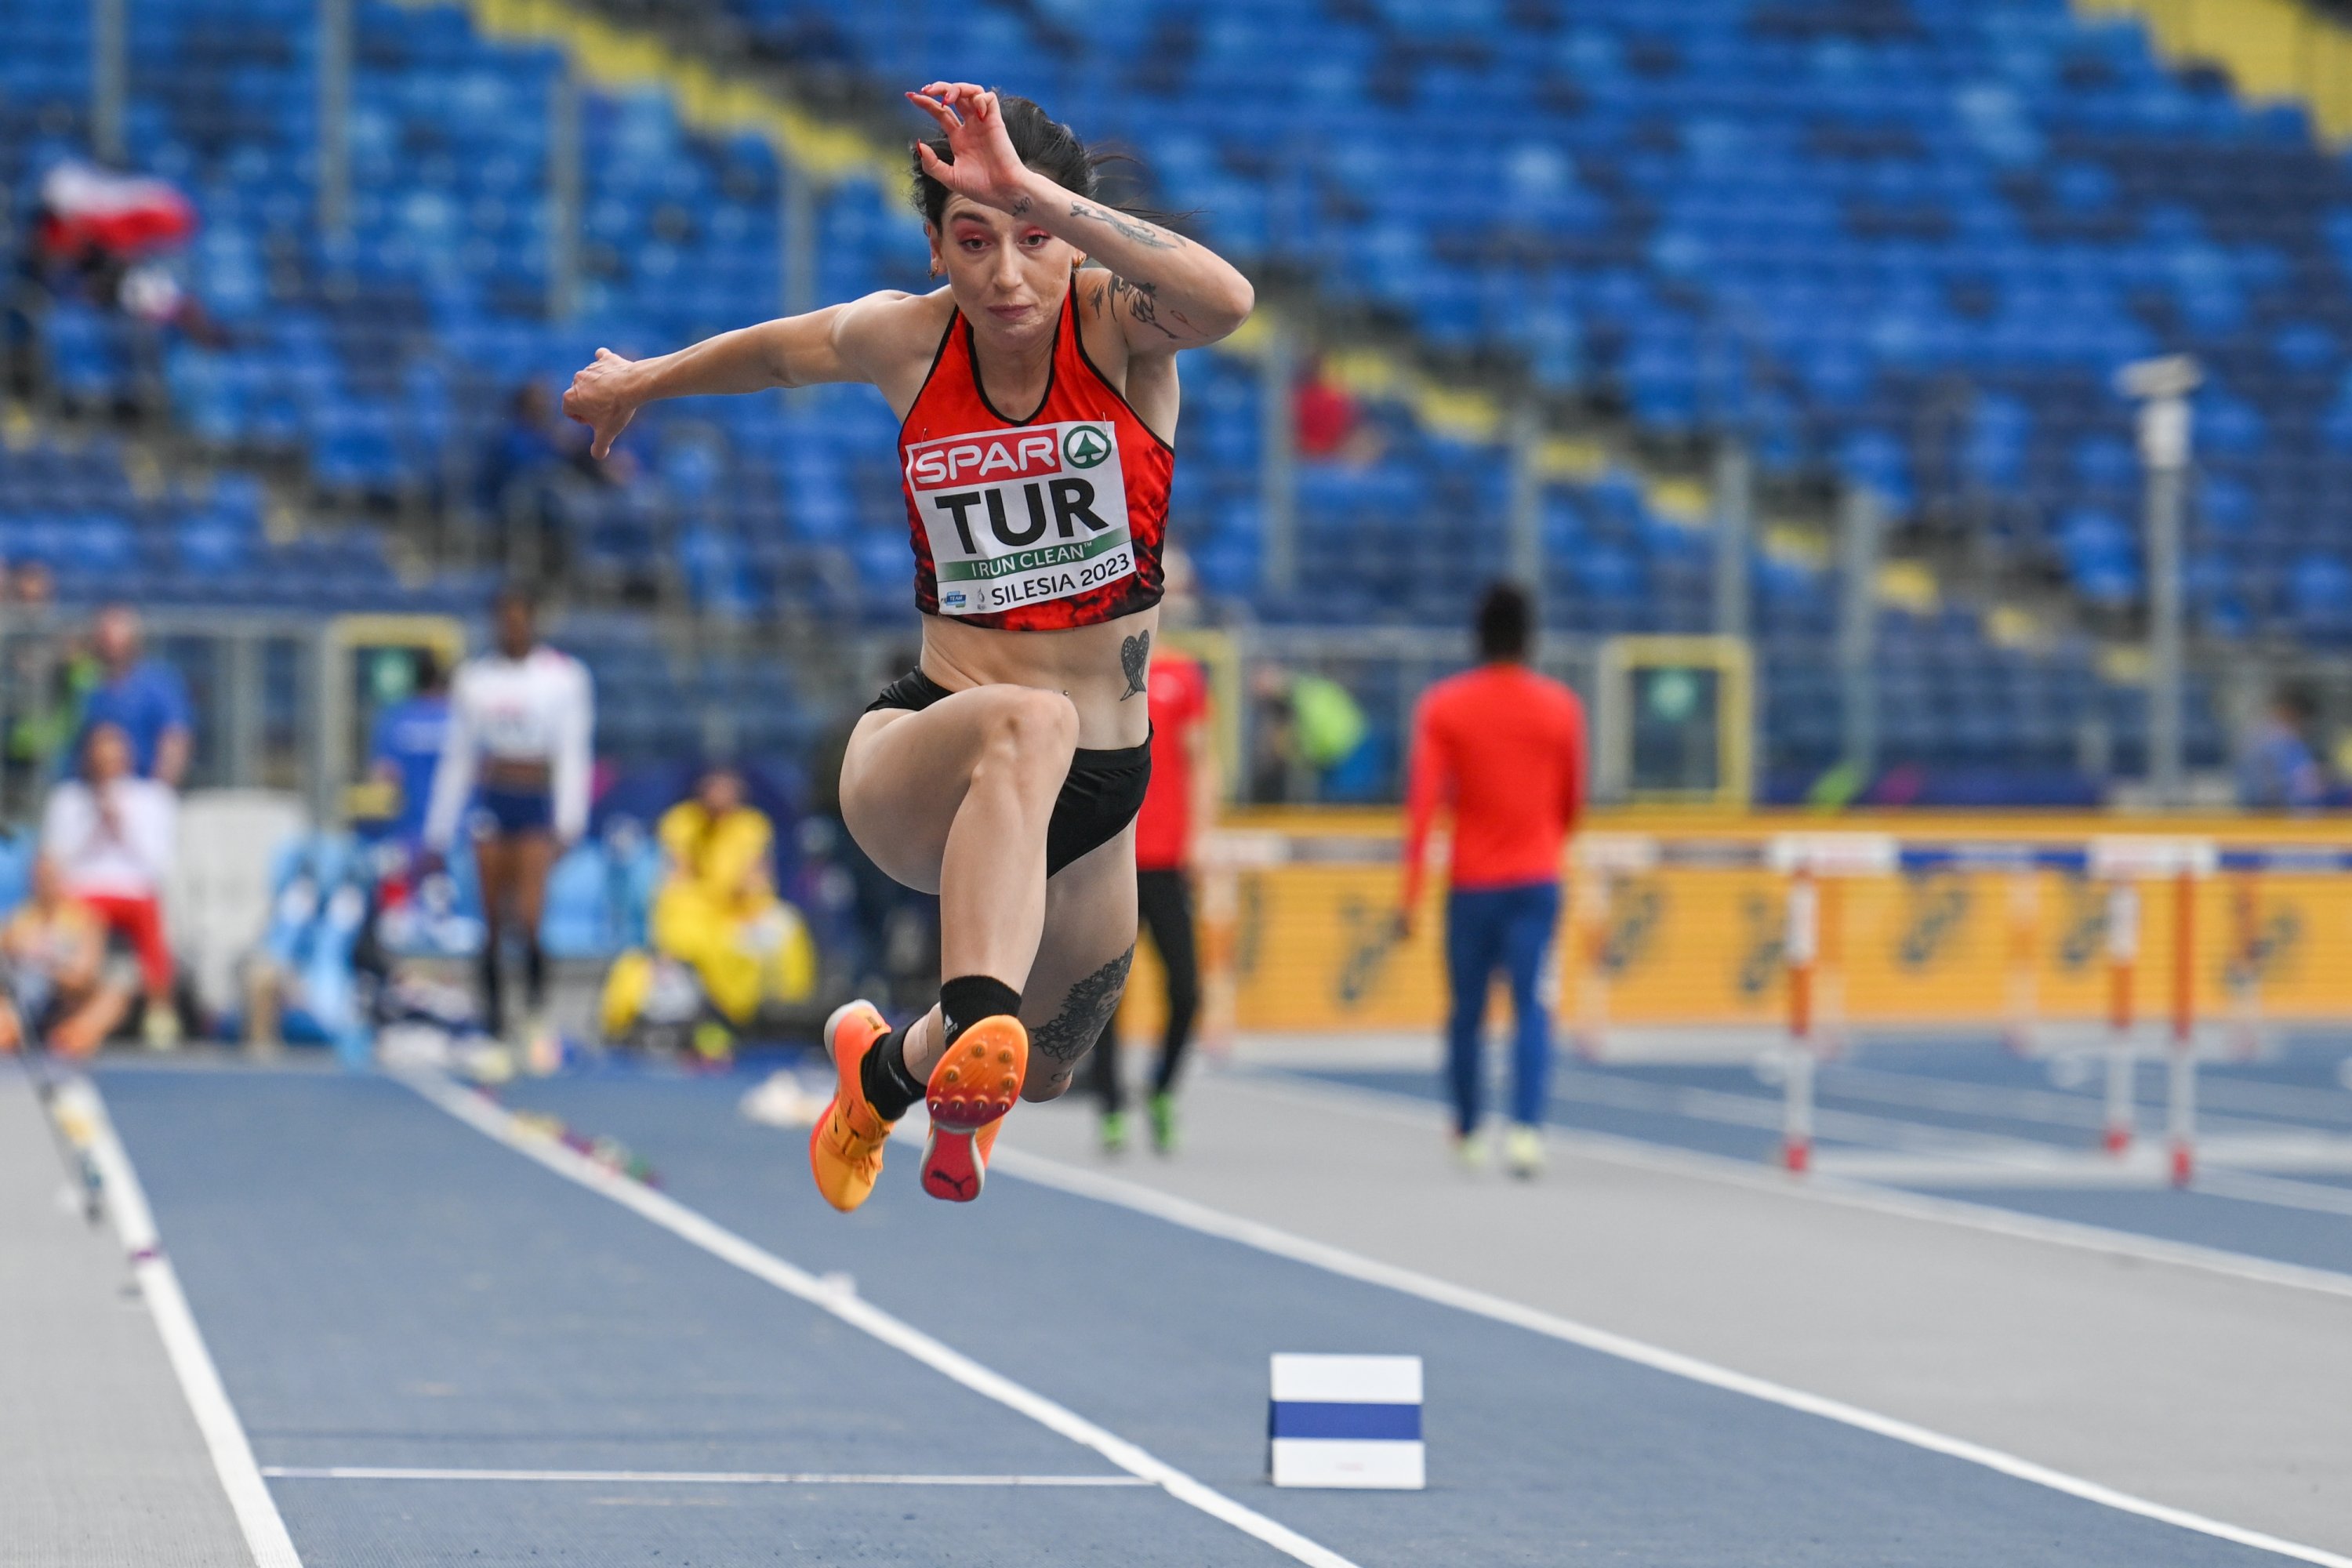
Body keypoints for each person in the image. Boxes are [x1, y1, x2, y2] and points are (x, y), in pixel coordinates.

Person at [564, 84, 1254, 1210]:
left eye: (1033, 240)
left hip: (1101, 798)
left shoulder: (1125, 324)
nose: (1006, 277)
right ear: (935, 246)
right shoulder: (908, 338)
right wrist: (641, 379)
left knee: (1053, 1066)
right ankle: (973, 1021)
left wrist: (1028, 193)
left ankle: (881, 1075)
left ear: (1071, 232)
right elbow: (778, 356)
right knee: (1035, 724)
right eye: (972, 243)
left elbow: (1227, 298)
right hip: (933, 743)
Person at [1398, 583, 1588, 1178]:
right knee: (1532, 1005)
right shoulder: (1561, 708)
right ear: (1531, 637)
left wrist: (1410, 894)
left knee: (1466, 1011)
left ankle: (1469, 1129)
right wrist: (1544, 844)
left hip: (1472, 882)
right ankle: (1527, 1130)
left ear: (1476, 635)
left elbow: (1424, 806)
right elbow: (1572, 801)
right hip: (1537, 878)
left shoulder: (1445, 706)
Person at [422, 588, 594, 1062]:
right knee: (493, 919)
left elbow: (573, 751)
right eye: (505, 619)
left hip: (535, 798)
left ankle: (536, 1014)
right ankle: (494, 1022)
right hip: (494, 797)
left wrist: (569, 819)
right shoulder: (476, 680)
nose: (512, 629)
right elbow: (459, 755)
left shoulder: (562, 678)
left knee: (532, 917)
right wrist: (439, 828)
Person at [1087, 554, 1215, 1154]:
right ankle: (1111, 1103)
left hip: (1168, 862)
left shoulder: (1184, 677)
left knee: (1188, 990)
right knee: (1107, 991)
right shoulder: (1101, 670)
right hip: (1112, 855)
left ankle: (1161, 1088)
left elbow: (1202, 762)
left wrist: (1203, 840)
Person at [648, 764, 817, 1034]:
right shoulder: (681, 821)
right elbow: (679, 877)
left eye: (726, 788)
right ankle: (723, 1016)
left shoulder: (752, 825)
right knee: (689, 934)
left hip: (740, 911)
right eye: (714, 787)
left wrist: (744, 897)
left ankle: (785, 1014)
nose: (719, 794)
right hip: (697, 911)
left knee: (787, 926)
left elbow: (756, 880)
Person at [42, 722, 180, 1047]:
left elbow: (159, 865)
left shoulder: (152, 800)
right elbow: (54, 865)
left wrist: (122, 827)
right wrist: (93, 829)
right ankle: (72, 996)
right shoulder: (67, 800)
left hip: (133, 891)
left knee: (150, 913)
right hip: (83, 891)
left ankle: (159, 1005)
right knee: (77, 921)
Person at [0, 854, 134, 1057]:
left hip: (65, 1004)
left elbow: (82, 977)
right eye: (39, 878)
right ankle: (10, 1033)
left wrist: (45, 965)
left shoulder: (85, 920)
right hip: (23, 1003)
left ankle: (72, 1035)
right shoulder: (17, 920)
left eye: (50, 877)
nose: (44, 884)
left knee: (116, 993)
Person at [74, 604, 194, 786]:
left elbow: (175, 738)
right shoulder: (85, 682)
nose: (111, 642)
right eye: (105, 633)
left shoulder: (158, 683)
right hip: (92, 790)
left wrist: (158, 791)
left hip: (142, 787)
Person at [368, 648, 453, 848]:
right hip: (457, 833)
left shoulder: (395, 720)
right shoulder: (458, 719)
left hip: (410, 832)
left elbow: (383, 778)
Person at [2237, 687, 2326, 814]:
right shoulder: (2261, 738)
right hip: (2268, 807)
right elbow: (2260, 784)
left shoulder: (2296, 739)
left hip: (2300, 806)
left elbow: (2308, 779)